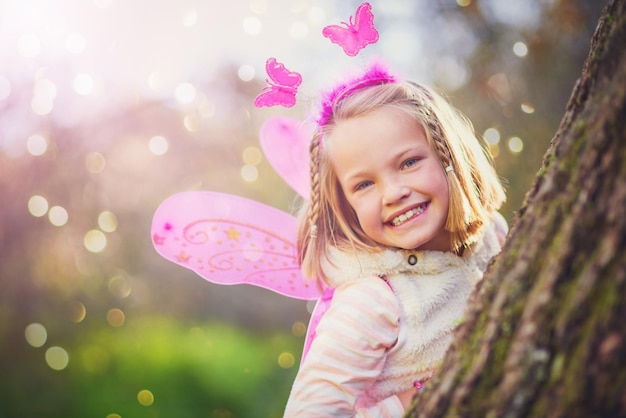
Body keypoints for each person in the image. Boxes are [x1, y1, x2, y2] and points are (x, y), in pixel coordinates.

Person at [283, 61, 508, 417]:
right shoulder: (371, 301)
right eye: (364, 185)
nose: (393, 193)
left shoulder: (493, 233)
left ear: (447, 154)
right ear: (346, 204)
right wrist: (401, 408)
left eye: (408, 163)